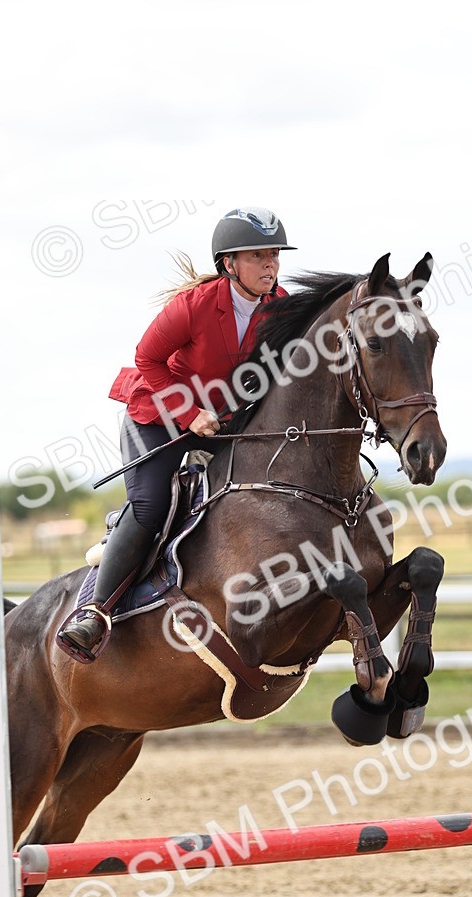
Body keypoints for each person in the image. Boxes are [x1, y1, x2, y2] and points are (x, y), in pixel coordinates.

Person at [57, 206, 295, 662]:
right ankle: (96, 612)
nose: (271, 264)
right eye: (258, 255)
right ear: (229, 264)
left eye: (275, 255)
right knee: (152, 507)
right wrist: (189, 414)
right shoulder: (194, 306)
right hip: (157, 415)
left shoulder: (278, 306)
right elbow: (147, 361)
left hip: (220, 419)